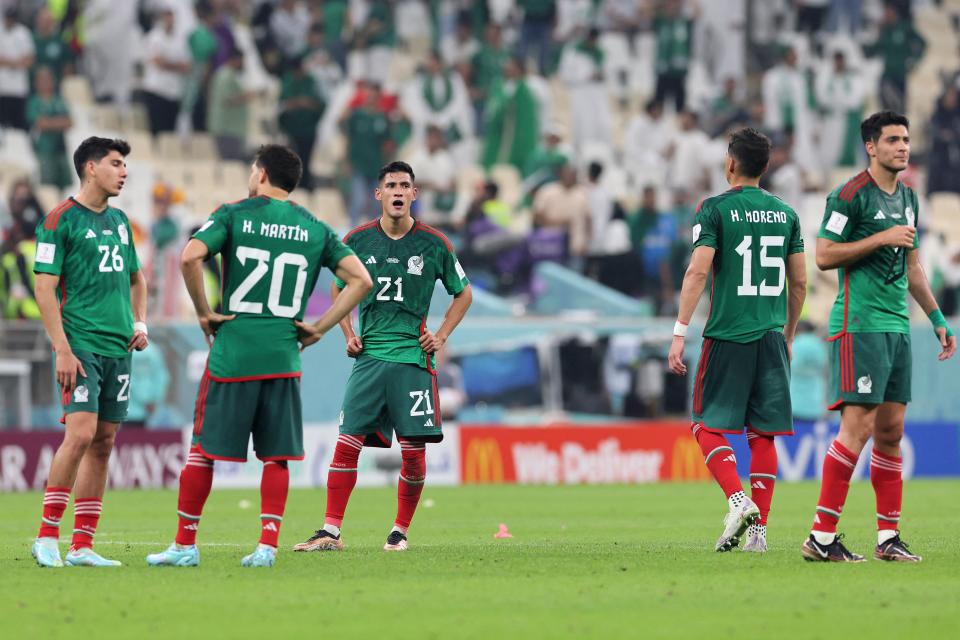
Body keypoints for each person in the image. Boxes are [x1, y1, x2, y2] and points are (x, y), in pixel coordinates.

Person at [146, 144, 371, 569]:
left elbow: (192, 256)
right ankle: (267, 547)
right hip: (284, 355)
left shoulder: (234, 213)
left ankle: (184, 545)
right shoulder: (314, 227)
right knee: (277, 456)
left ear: (261, 173)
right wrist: (320, 328)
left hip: (233, 352)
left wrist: (203, 313)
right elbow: (361, 279)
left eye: (253, 169)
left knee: (202, 452)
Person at [293, 161, 472, 553]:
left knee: (413, 451)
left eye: (404, 185)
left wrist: (440, 335)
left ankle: (399, 531)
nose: (397, 191)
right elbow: (340, 286)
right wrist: (348, 333)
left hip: (412, 359)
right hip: (370, 357)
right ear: (378, 194)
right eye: (390, 184)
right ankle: (330, 532)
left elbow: (464, 293)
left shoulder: (434, 243)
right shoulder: (357, 240)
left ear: (414, 194)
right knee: (347, 440)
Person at [801, 111, 956, 563]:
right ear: (871, 146)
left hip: (897, 328)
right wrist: (880, 237)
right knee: (858, 428)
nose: (903, 147)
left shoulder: (909, 198)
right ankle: (821, 536)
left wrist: (938, 318)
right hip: (860, 325)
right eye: (893, 140)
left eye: (906, 139)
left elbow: (912, 266)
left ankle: (887, 537)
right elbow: (825, 256)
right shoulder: (849, 196)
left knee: (891, 431)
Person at [668, 127, 807, 553]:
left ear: (730, 163)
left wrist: (679, 332)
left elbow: (697, 271)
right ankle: (759, 534)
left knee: (703, 424)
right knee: (761, 434)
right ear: (765, 168)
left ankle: (736, 499)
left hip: (728, 333)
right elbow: (799, 283)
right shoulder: (786, 213)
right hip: (769, 335)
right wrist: (788, 333)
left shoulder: (713, 209)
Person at [30, 137, 149, 568]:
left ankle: (82, 545)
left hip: (119, 345)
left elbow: (137, 279)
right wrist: (61, 348)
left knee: (104, 442)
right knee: (79, 434)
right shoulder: (59, 219)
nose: (124, 171)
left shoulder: (120, 221)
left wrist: (139, 322)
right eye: (116, 163)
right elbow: (43, 286)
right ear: (90, 168)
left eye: (125, 164)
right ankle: (46, 536)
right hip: (80, 343)